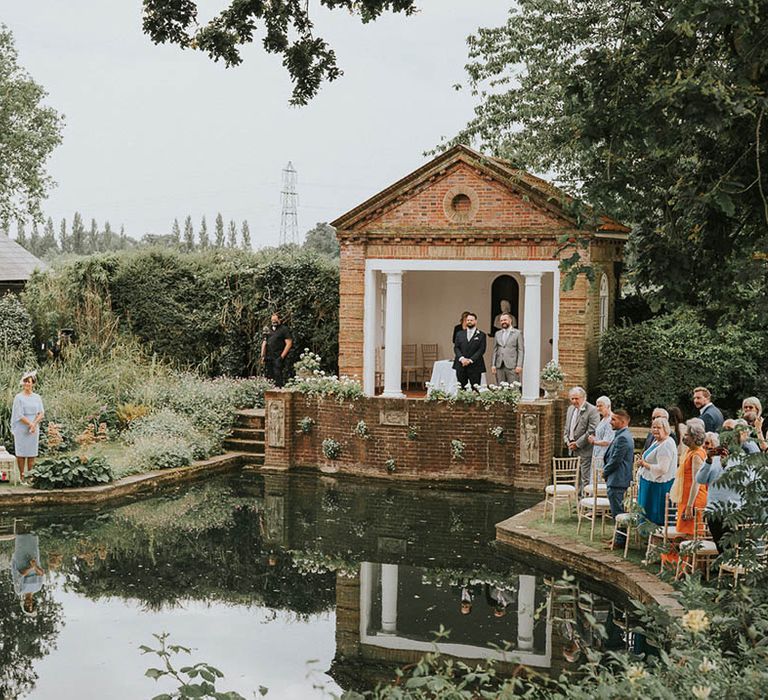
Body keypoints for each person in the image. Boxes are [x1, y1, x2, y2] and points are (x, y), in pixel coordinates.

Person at [636, 417, 678, 525]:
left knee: (654, 511)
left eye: (659, 427)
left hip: (657, 485)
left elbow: (663, 468)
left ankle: (653, 534)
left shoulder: (667, 444)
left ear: (666, 429)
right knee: (645, 508)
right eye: (653, 427)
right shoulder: (657, 441)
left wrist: (644, 464)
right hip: (648, 482)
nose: (655, 430)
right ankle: (643, 532)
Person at [602, 409, 634, 547]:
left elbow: (616, 459)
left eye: (614, 419)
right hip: (617, 478)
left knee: (618, 512)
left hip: (618, 479)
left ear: (622, 422)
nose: (610, 421)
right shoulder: (622, 435)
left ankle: (620, 541)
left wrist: (605, 472)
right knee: (616, 511)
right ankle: (617, 538)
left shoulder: (623, 437)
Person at [672, 418, 708, 537]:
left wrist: (689, 506)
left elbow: (696, 482)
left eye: (687, 434)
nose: (684, 436)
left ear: (694, 437)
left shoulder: (697, 455)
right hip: (686, 496)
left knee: (692, 533)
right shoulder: (689, 451)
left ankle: (692, 556)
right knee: (683, 532)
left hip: (694, 499)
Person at [563, 387, 600, 495]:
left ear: (583, 398)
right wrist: (567, 441)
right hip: (572, 448)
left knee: (585, 477)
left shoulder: (592, 410)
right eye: (572, 399)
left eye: (576, 398)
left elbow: (592, 430)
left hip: (585, 449)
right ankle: (578, 500)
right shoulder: (570, 409)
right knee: (576, 476)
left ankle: (586, 502)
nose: (574, 401)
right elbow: (567, 428)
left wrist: (578, 444)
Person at [11, 371, 44, 483]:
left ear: (33, 383)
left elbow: (41, 413)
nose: (26, 384)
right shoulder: (18, 397)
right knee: (21, 453)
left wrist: (34, 424)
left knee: (31, 453)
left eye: (28, 382)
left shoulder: (37, 397)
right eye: (25, 381)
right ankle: (21, 476)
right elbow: (19, 414)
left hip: (34, 428)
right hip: (22, 427)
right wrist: (30, 424)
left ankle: (30, 476)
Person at [12, 531, 45, 616]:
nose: (28, 603)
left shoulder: (19, 590)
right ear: (33, 602)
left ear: (23, 604)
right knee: (33, 535)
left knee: (21, 536)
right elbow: (41, 573)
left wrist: (31, 567)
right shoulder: (38, 588)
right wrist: (35, 566)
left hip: (21, 558)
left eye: (26, 606)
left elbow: (19, 575)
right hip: (33, 558)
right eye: (30, 605)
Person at [452, 312, 486, 391]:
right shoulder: (459, 334)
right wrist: (462, 358)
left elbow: (481, 349)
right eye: (468, 320)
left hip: (475, 366)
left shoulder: (481, 335)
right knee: (461, 389)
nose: (469, 322)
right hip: (461, 365)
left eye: (471, 320)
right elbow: (456, 347)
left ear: (475, 321)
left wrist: (470, 360)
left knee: (475, 389)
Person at [260, 312, 293, 388]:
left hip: (278, 357)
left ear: (279, 320)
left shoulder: (284, 329)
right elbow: (264, 342)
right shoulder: (268, 329)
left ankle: (279, 392)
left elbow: (289, 343)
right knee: (268, 376)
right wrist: (262, 356)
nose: (274, 322)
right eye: (272, 320)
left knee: (278, 376)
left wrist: (281, 357)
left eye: (275, 320)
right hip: (268, 357)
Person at [490, 312, 523, 385]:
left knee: (514, 389)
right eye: (501, 321)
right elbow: (495, 350)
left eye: (505, 320)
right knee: (500, 388)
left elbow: (520, 350)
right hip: (499, 365)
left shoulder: (517, 333)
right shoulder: (497, 334)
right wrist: (493, 365)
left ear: (510, 320)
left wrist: (519, 365)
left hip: (512, 365)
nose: (503, 322)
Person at [588, 396, 614, 469]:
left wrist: (594, 442)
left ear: (608, 406)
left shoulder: (611, 420)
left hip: (604, 454)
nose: (598, 408)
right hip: (597, 453)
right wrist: (594, 437)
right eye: (597, 406)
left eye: (600, 406)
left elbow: (608, 441)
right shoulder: (603, 419)